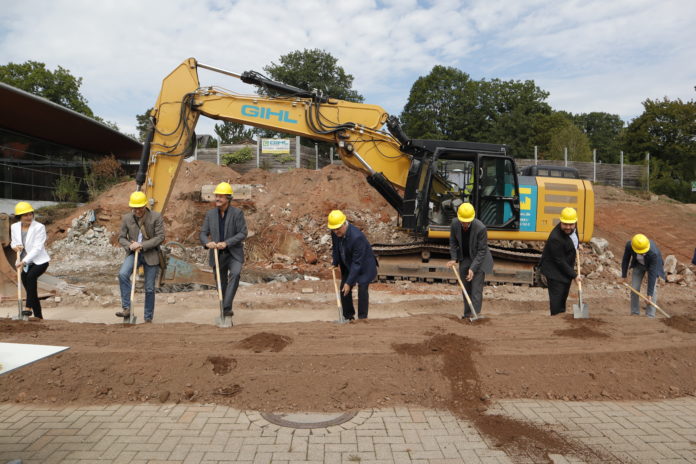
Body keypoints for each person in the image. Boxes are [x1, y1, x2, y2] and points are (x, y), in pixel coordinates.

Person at [200, 182, 247, 320]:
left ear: (228, 198)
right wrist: (207, 242)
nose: (217, 199)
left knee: (236, 273)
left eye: (220, 196)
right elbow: (203, 233)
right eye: (216, 196)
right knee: (221, 283)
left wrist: (226, 243)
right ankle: (226, 309)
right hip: (217, 255)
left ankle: (226, 308)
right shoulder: (210, 214)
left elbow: (242, 233)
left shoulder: (237, 213)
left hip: (234, 253)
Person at [115, 191, 165, 322]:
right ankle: (126, 308)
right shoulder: (127, 218)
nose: (137, 211)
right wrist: (130, 246)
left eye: (140, 208)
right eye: (135, 208)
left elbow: (160, 237)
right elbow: (121, 237)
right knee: (122, 274)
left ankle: (148, 318)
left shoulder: (156, 217)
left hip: (151, 254)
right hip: (133, 254)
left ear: (145, 206)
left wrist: (141, 245)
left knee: (149, 288)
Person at [446, 203, 494, 318]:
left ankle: (475, 315)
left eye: (467, 222)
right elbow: (453, 242)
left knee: (476, 289)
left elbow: (482, 251)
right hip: (465, 257)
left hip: (479, 259)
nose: (465, 224)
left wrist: (473, 268)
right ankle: (467, 314)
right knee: (465, 287)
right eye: (463, 222)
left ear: (472, 219)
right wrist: (453, 258)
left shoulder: (481, 228)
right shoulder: (455, 223)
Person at [328, 210, 377, 320]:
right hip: (349, 263)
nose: (336, 231)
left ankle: (362, 318)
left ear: (344, 223)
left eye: (338, 228)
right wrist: (335, 262)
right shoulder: (335, 232)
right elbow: (336, 247)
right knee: (343, 288)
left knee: (362, 288)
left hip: (364, 265)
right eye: (333, 229)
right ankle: (348, 316)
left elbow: (357, 263)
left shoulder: (357, 237)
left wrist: (349, 283)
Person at [10, 202, 50, 320]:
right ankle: (38, 316)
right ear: (19, 217)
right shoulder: (14, 227)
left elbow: (37, 248)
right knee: (30, 290)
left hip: (40, 261)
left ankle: (28, 308)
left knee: (31, 277)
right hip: (25, 262)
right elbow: (14, 241)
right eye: (25, 215)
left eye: (30, 214)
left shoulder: (39, 227)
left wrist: (25, 261)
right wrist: (14, 247)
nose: (29, 217)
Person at [539, 207, 581, 316]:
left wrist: (576, 246)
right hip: (554, 271)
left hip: (565, 268)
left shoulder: (573, 227)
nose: (568, 227)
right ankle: (556, 320)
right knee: (557, 300)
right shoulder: (555, 238)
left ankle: (562, 316)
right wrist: (575, 275)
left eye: (571, 224)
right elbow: (560, 261)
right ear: (561, 222)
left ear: (575, 222)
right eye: (565, 224)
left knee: (564, 296)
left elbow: (575, 236)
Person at [621, 233, 666, 318]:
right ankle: (635, 312)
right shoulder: (629, 245)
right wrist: (624, 276)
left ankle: (650, 315)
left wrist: (649, 295)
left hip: (652, 265)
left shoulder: (653, 253)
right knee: (634, 288)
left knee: (653, 291)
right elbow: (625, 260)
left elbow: (652, 274)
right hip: (638, 265)